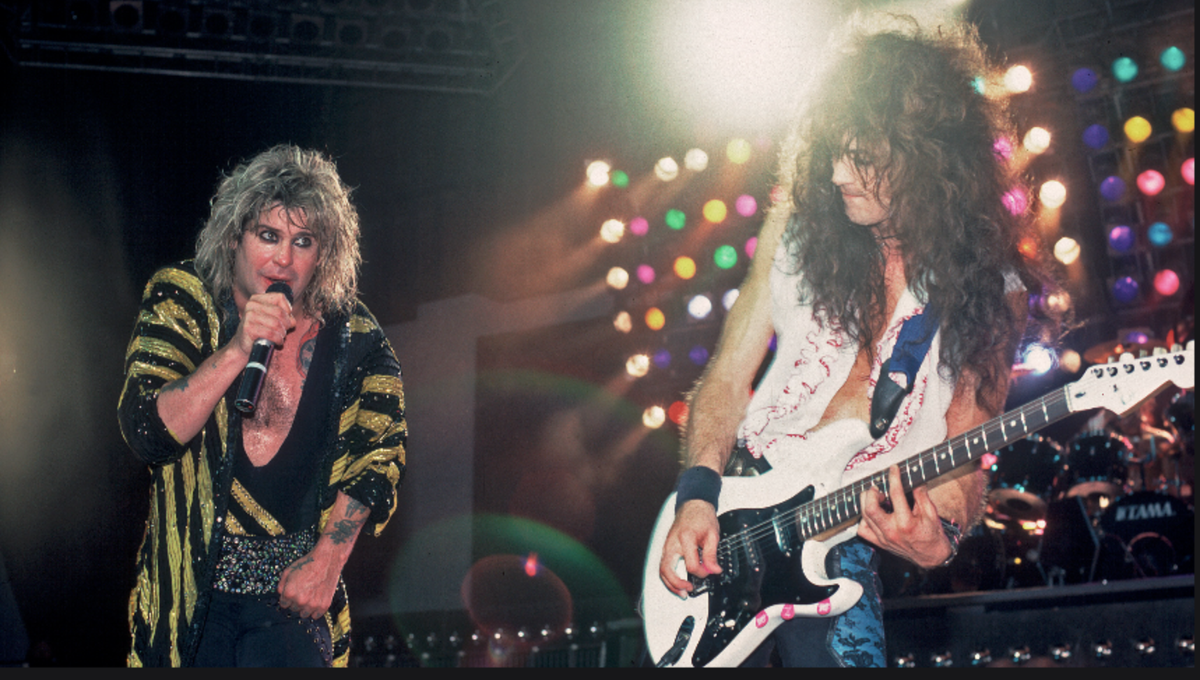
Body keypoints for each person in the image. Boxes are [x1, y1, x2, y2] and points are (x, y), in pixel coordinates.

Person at [657, 17, 1059, 667]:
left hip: (845, 549)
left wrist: (942, 535)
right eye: (834, 149)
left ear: (926, 159)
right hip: (739, 509)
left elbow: (964, 449)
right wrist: (697, 496)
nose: (839, 172)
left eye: (863, 155)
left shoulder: (989, 287)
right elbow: (727, 378)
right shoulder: (799, 231)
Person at [118, 145, 407, 667]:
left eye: (303, 242)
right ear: (234, 238)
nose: (283, 259)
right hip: (190, 599)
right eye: (268, 236)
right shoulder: (184, 298)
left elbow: (379, 455)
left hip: (290, 598)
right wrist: (234, 351)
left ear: (324, 254)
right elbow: (146, 431)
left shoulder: (356, 338)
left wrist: (327, 561)